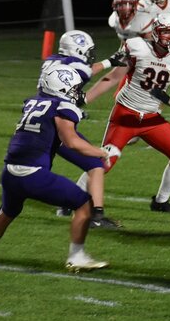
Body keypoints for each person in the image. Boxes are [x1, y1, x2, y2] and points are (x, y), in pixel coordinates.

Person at [0, 63, 114, 272]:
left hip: (10, 171)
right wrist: (101, 152)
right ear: (61, 88)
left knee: (6, 212)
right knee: (83, 204)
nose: (76, 93)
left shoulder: (34, 102)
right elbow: (72, 142)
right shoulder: (62, 108)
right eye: (73, 88)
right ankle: (77, 256)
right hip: (33, 174)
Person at [99, 12, 170, 212]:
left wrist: (165, 98)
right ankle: (69, 201)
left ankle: (160, 202)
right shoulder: (137, 46)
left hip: (151, 119)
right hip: (125, 115)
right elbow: (116, 75)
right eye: (166, 32)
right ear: (156, 32)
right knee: (103, 164)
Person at [41, 30, 122, 229]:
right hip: (58, 124)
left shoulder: (51, 60)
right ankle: (96, 215)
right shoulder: (74, 65)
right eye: (86, 52)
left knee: (31, 173)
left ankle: (6, 208)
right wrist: (111, 61)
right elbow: (88, 71)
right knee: (96, 163)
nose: (88, 57)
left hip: (39, 125)